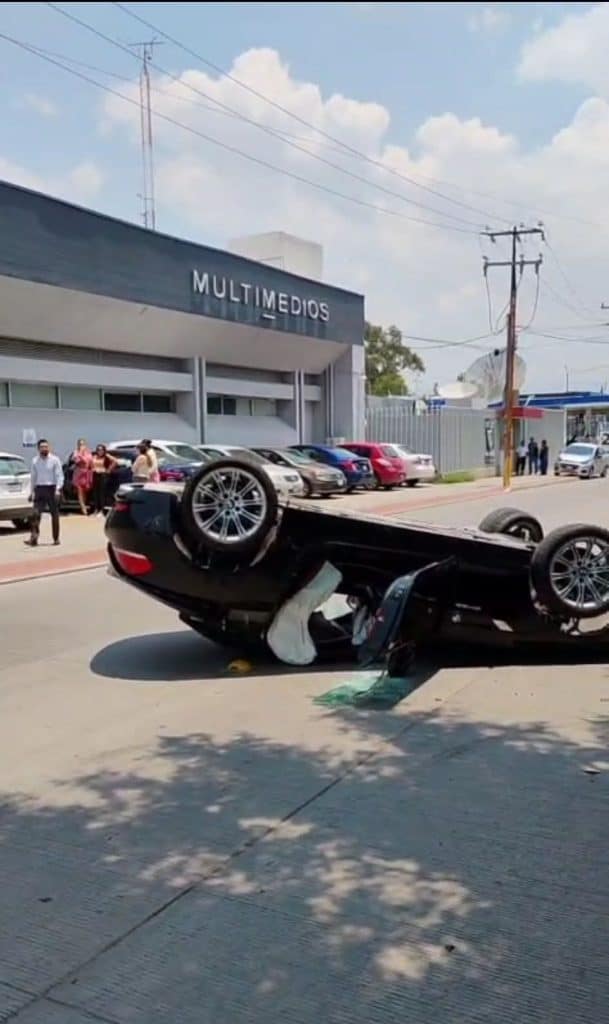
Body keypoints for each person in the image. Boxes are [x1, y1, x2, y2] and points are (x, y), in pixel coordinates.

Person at [26, 438, 64, 547]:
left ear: (49, 447)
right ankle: (34, 538)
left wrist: (58, 489)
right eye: (42, 447)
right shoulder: (34, 461)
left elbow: (59, 476)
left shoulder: (55, 460)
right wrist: (31, 491)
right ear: (38, 448)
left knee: (55, 515)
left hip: (52, 489)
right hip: (40, 489)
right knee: (35, 514)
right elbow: (33, 477)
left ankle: (56, 538)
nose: (44, 448)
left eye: (46, 446)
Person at [91, 444, 117, 517]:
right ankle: (96, 509)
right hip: (95, 474)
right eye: (98, 449)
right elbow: (90, 464)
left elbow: (115, 461)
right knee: (95, 493)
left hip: (103, 474)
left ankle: (102, 511)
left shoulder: (106, 456)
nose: (100, 451)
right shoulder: (94, 457)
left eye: (101, 450)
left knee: (102, 493)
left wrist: (109, 470)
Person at [70, 438, 92, 515]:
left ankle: (84, 505)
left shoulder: (88, 453)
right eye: (80, 444)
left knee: (85, 491)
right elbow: (77, 461)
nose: (81, 446)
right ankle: (83, 508)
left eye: (83, 444)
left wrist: (82, 456)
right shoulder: (76, 452)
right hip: (78, 473)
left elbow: (88, 462)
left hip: (86, 473)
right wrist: (80, 453)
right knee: (80, 491)